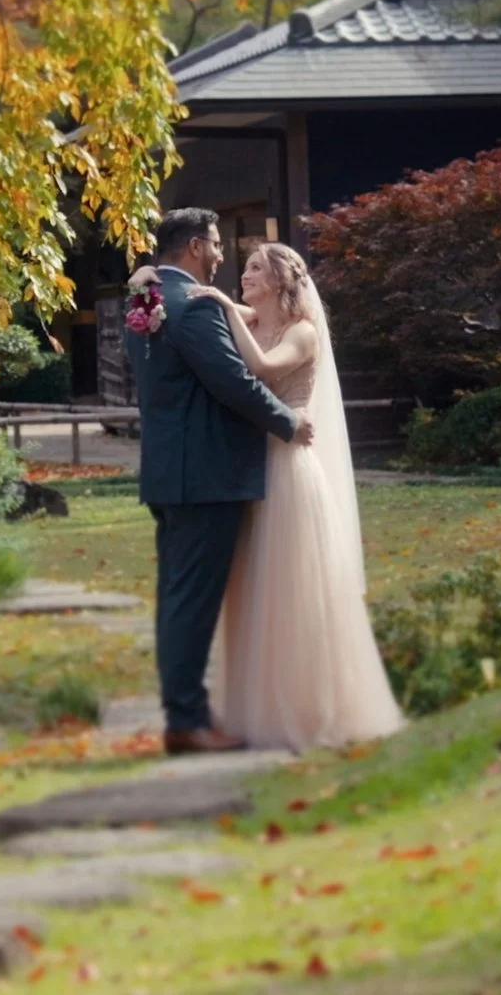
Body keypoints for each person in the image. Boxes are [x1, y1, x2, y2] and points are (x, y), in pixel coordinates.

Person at [186, 241, 405, 752]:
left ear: (282, 280)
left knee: (290, 589)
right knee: (253, 589)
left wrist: (220, 303)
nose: (245, 276)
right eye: (245, 270)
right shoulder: (254, 316)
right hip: (247, 465)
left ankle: (311, 708)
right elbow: (227, 311)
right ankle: (257, 705)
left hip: (287, 468)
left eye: (256, 268)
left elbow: (262, 367)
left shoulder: (302, 332)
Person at [122, 209, 312, 756]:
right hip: (207, 475)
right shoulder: (192, 307)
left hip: (168, 472)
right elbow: (232, 382)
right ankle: (187, 722)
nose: (222, 255)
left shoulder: (145, 303)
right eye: (216, 244)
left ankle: (185, 714)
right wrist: (288, 421)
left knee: (177, 599)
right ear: (195, 247)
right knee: (192, 603)